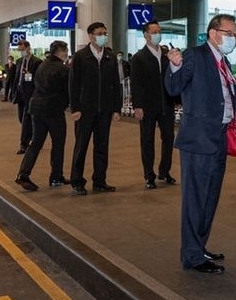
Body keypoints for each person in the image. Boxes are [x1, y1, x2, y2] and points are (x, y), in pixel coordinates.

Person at [165, 14, 236, 274]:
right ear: (213, 33)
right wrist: (174, 66)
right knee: (195, 198)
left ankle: (200, 245)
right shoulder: (196, 55)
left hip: (218, 136)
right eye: (229, 32)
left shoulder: (223, 61)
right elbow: (174, 87)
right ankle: (192, 255)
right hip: (198, 138)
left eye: (235, 34)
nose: (233, 38)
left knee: (210, 197)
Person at [68, 22, 120, 195]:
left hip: (104, 110)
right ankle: (77, 182)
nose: (103, 36)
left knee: (102, 147)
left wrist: (116, 109)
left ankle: (99, 181)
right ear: (90, 35)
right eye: (99, 33)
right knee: (81, 146)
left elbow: (116, 84)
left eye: (105, 33)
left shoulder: (110, 57)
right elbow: (73, 84)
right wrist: (75, 108)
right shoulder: (81, 56)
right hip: (84, 110)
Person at [15, 41, 70, 191]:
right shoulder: (62, 69)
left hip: (36, 108)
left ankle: (23, 174)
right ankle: (56, 176)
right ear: (60, 52)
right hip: (53, 110)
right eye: (65, 51)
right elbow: (66, 91)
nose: (66, 54)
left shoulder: (42, 65)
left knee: (35, 143)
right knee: (58, 143)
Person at [130, 20, 177, 189]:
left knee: (169, 138)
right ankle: (149, 175)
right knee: (147, 140)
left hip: (166, 105)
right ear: (146, 35)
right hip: (148, 106)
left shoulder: (166, 56)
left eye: (159, 31)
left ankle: (165, 171)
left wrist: (175, 100)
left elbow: (172, 79)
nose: (158, 34)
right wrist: (138, 106)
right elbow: (136, 84)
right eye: (154, 31)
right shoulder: (139, 58)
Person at [11, 41, 42, 154]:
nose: (21, 52)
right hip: (20, 93)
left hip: (30, 94)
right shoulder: (19, 61)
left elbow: (38, 80)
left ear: (28, 48)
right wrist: (13, 92)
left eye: (23, 49)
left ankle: (24, 144)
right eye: (19, 50)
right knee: (22, 119)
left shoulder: (37, 62)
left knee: (26, 119)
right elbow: (16, 78)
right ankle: (34, 137)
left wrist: (30, 75)